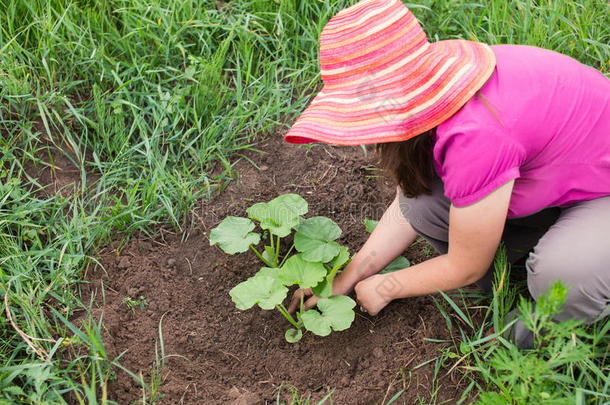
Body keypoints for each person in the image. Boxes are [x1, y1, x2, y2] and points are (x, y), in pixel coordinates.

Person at [283, 0, 610, 348]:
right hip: (563, 168)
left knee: (564, 275)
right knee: (421, 200)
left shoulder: (477, 135)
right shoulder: (446, 96)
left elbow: (466, 265)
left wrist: (387, 286)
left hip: (602, 189)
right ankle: (517, 262)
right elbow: (410, 205)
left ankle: (537, 340)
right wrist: (350, 275)